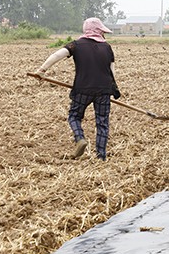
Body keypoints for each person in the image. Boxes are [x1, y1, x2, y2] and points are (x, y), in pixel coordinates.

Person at [33, 18, 120, 160]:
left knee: (74, 116)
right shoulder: (107, 47)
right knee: (102, 122)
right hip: (104, 89)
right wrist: (110, 90)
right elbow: (112, 72)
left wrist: (41, 70)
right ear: (99, 31)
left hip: (82, 89)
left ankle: (80, 138)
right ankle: (101, 157)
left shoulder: (76, 45)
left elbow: (57, 55)